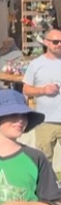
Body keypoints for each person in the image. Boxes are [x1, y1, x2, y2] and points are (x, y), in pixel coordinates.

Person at [20, 23, 61, 166]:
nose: (59, 44)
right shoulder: (36, 64)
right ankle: (47, 181)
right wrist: (43, 90)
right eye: (55, 42)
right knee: (44, 160)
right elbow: (26, 89)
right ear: (46, 42)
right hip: (45, 120)